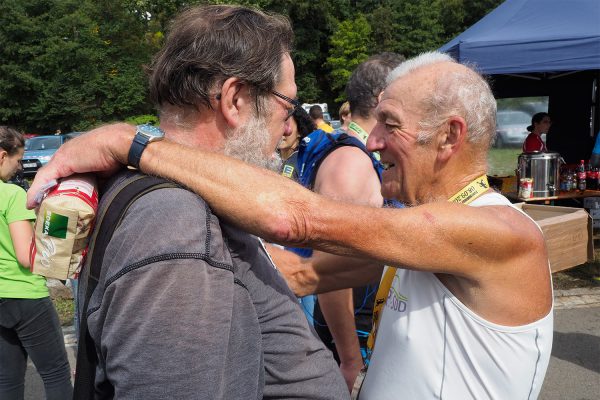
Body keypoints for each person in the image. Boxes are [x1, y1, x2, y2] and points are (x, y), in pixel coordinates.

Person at [29, 52, 554, 399]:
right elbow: (293, 274)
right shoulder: (420, 241)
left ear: (448, 137)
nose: (370, 143)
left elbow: (298, 219)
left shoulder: (497, 233)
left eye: (389, 125)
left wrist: (134, 144)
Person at [43, 6, 349, 399]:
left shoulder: (171, 197)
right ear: (235, 100)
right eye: (285, 105)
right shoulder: (176, 227)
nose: (288, 125)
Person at [295, 52, 403, 390]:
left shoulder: (348, 150)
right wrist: (349, 357)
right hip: (347, 338)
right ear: (382, 98)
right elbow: (331, 273)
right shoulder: (351, 163)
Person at [0, 126, 72, 400]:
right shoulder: (11, 195)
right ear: (2, 156)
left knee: (7, 379)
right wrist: (57, 226)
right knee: (55, 373)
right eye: (17, 161)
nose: (18, 169)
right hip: (26, 296)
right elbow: (25, 256)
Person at [279, 107, 315, 181]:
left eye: (287, 125)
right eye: (278, 125)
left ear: (300, 131)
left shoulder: (297, 161)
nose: (282, 132)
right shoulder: (272, 157)